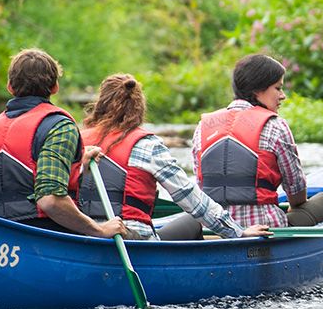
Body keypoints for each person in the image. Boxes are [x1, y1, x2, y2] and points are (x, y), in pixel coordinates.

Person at [72, 74, 269, 241]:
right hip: (130, 240)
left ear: (100, 104)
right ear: (139, 107)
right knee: (191, 221)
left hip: (82, 233)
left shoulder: (77, 140)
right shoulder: (146, 145)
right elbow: (190, 197)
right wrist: (237, 232)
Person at [0, 48, 128, 239]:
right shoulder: (59, 128)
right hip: (44, 233)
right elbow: (50, 200)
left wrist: (78, 164)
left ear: (10, 86)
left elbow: (16, 180)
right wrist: (100, 230)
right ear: (55, 88)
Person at [191, 53, 323, 230]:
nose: (282, 95)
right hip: (265, 227)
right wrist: (293, 205)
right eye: (278, 88)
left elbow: (200, 185)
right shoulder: (275, 125)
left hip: (214, 226)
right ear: (257, 89)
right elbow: (296, 191)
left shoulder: (202, 127)